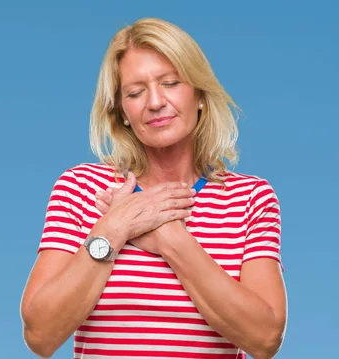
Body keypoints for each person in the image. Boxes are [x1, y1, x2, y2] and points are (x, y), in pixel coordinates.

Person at [19, 17, 287, 359]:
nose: (156, 102)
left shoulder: (250, 198)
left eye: (171, 83)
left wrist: (169, 237)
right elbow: (40, 335)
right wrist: (115, 228)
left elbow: (265, 339)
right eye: (135, 92)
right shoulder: (81, 189)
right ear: (123, 112)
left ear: (200, 94)